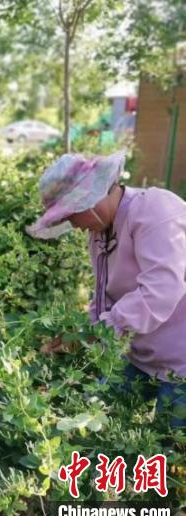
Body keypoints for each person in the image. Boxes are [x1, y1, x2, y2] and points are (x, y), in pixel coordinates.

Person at [27, 150, 186, 428]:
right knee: (90, 420)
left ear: (90, 201)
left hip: (180, 363)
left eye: (71, 215)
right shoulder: (100, 233)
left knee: (167, 447)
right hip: (139, 353)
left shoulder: (154, 211)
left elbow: (160, 291)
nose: (72, 225)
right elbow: (105, 295)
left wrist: (99, 329)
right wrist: (81, 333)